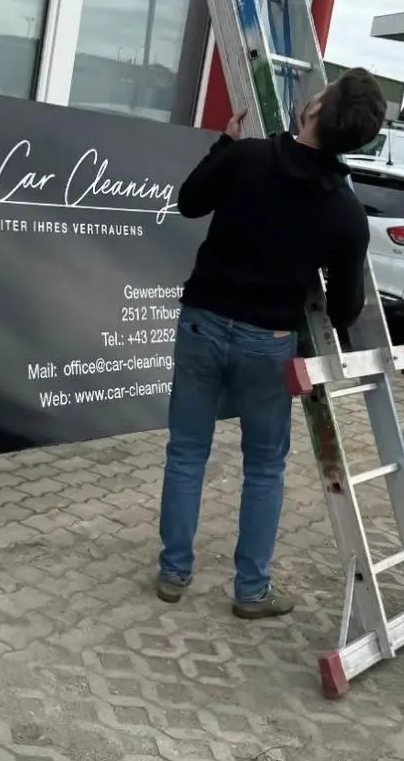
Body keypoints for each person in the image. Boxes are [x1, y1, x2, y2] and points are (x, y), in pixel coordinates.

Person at [156, 67, 386, 618]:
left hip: (203, 320)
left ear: (314, 111)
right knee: (263, 466)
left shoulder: (246, 157)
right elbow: (345, 310)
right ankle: (250, 590)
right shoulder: (345, 212)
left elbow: (189, 201)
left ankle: (173, 572)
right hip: (269, 339)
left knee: (187, 449)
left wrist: (224, 144)